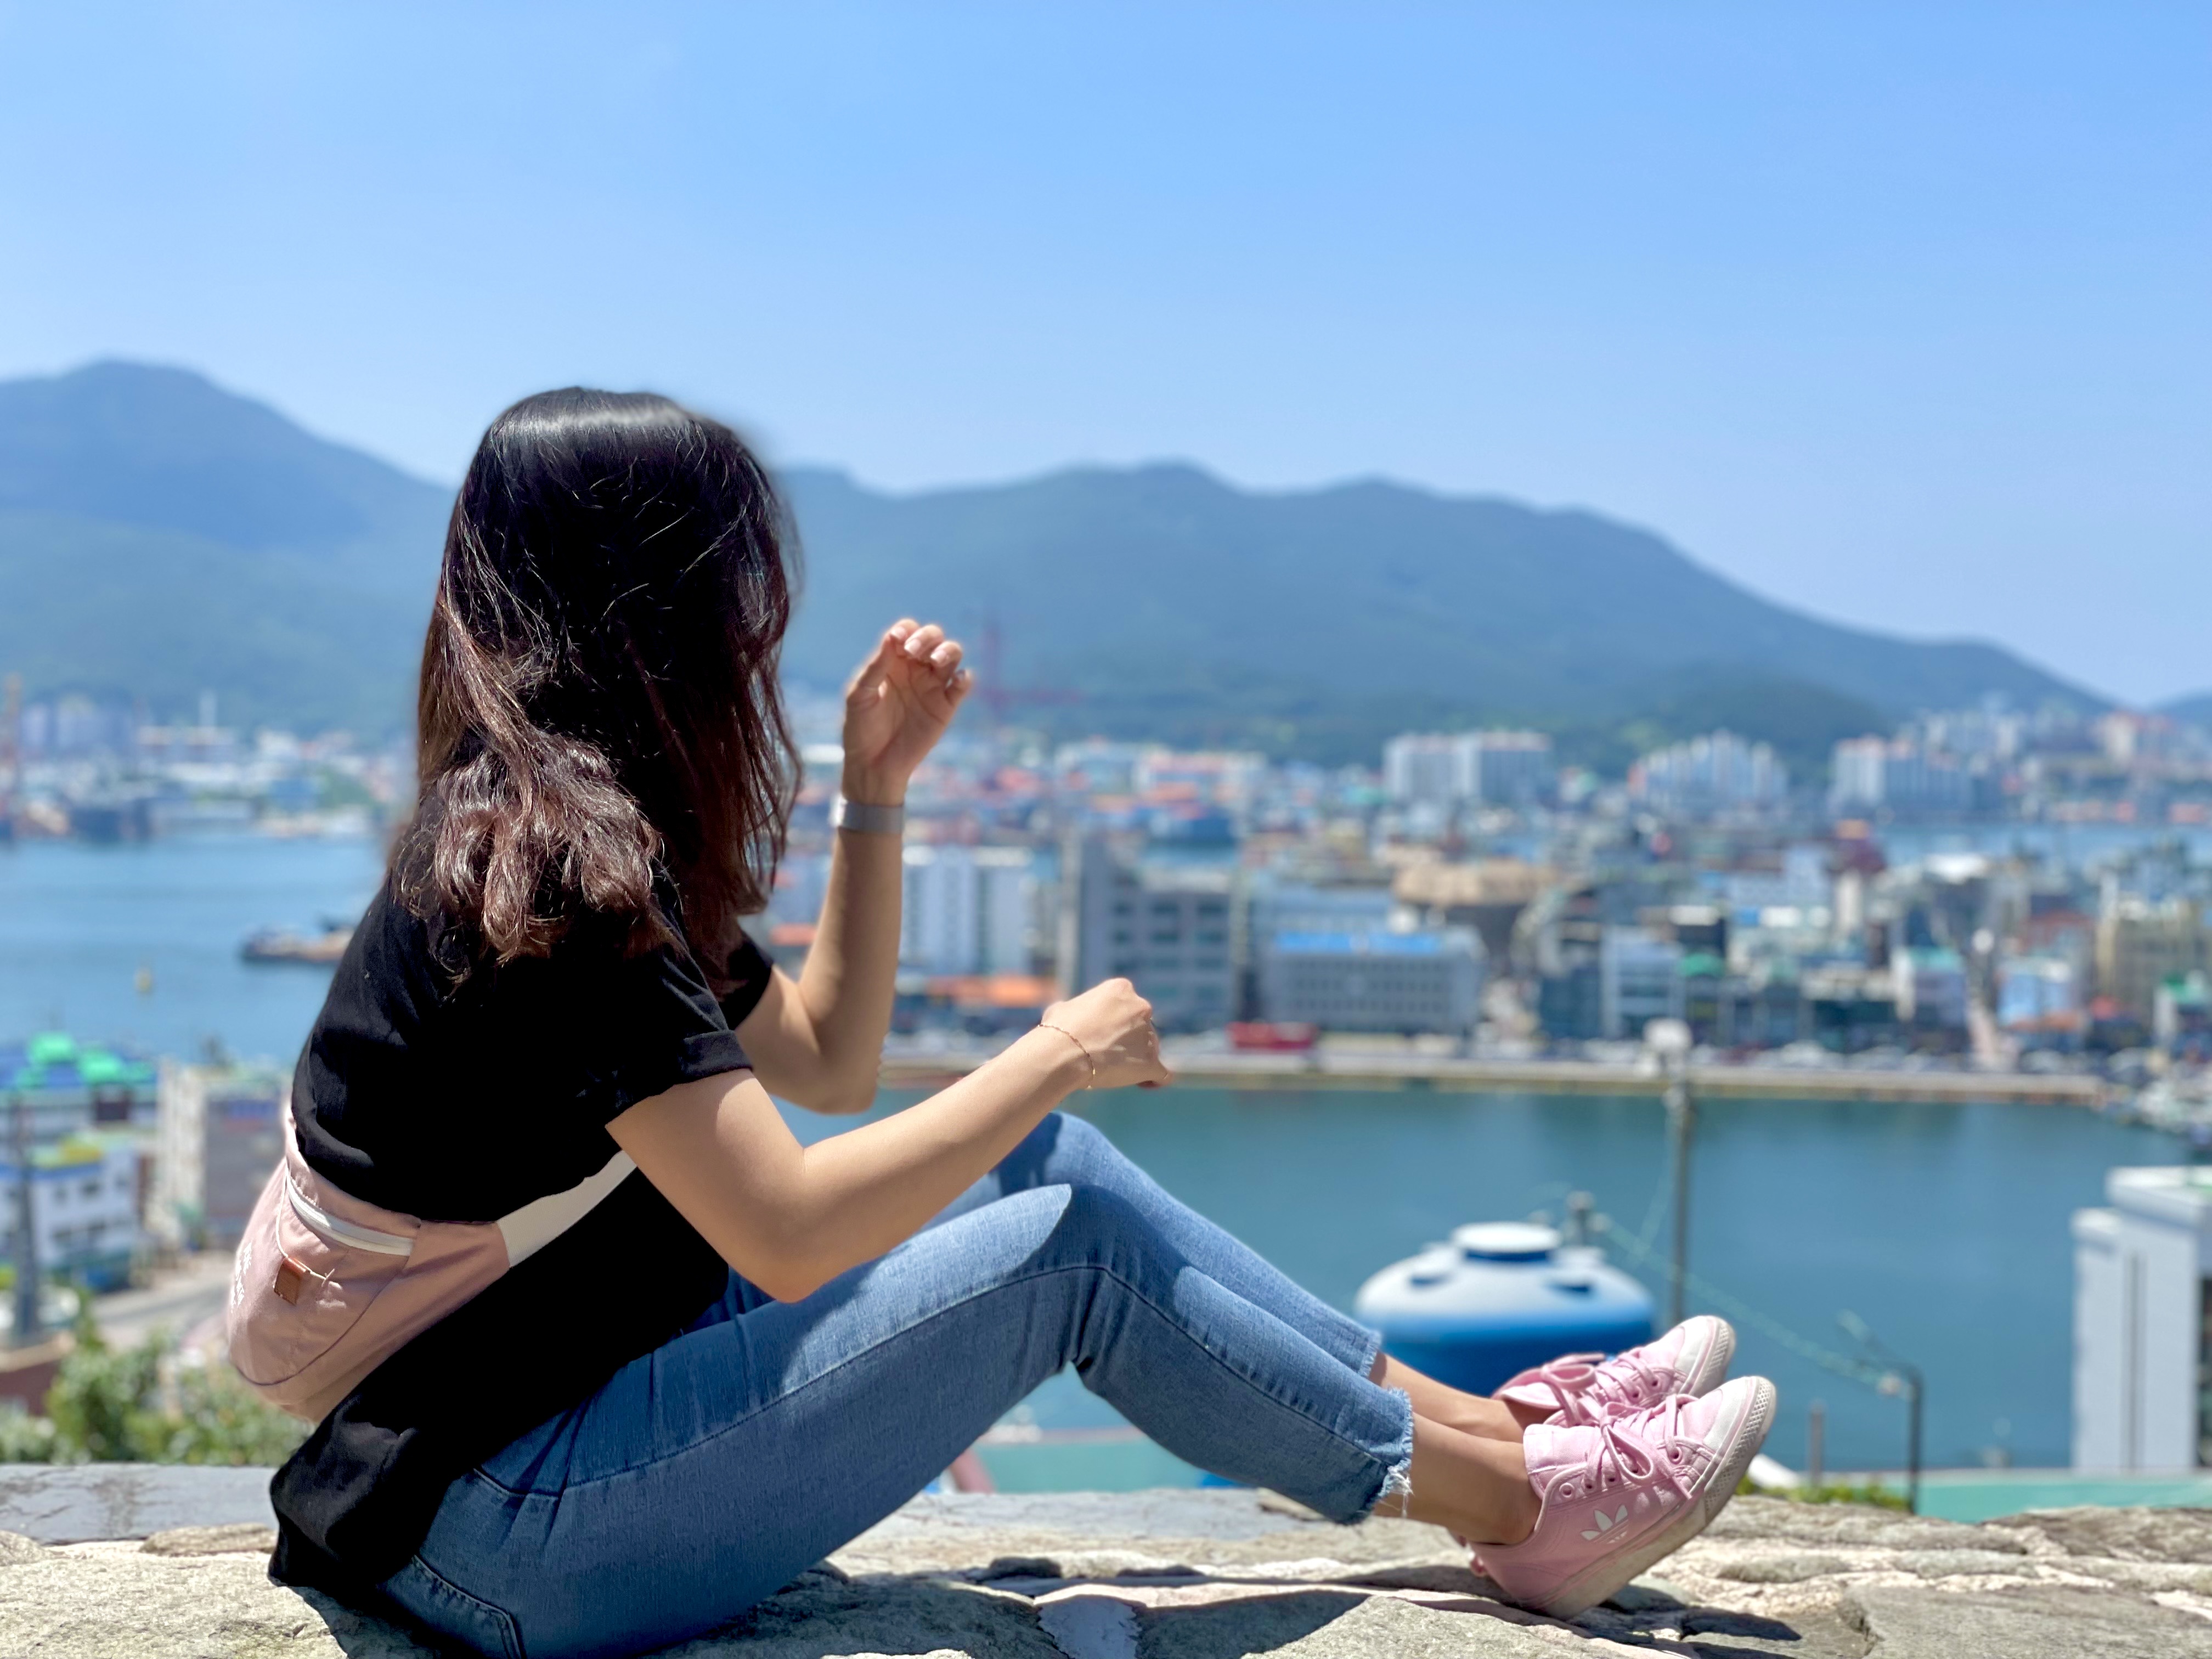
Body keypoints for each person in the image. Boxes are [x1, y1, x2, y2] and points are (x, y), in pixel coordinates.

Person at [236, 388, 1775, 1659]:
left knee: (1050, 1169)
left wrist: (876, 791)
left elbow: (829, 1058)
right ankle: (1529, 1513)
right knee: (1068, 1252)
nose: (759, 624)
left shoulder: (561, 836)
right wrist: (1054, 1048)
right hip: (498, 1521)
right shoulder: (562, 884)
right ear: (660, 603)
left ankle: (1510, 1443)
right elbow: (787, 1231)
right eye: (732, 580)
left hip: (526, 1424)